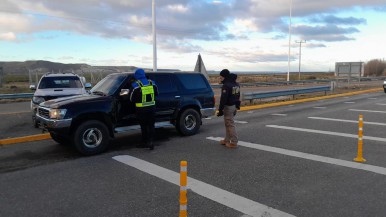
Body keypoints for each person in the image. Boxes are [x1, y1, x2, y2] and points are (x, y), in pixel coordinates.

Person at [129, 68, 159, 150]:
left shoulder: (135, 85)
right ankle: (151, 142)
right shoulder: (152, 83)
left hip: (141, 110)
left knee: (144, 126)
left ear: (136, 75)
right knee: (151, 125)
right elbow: (157, 93)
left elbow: (131, 99)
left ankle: (144, 142)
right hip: (152, 109)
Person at [217, 69, 241, 148]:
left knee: (230, 124)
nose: (220, 79)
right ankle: (226, 140)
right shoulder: (236, 84)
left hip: (228, 107)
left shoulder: (226, 86)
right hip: (233, 106)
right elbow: (237, 96)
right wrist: (237, 107)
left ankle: (234, 142)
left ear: (224, 77)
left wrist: (220, 110)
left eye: (221, 77)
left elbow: (223, 99)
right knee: (228, 124)